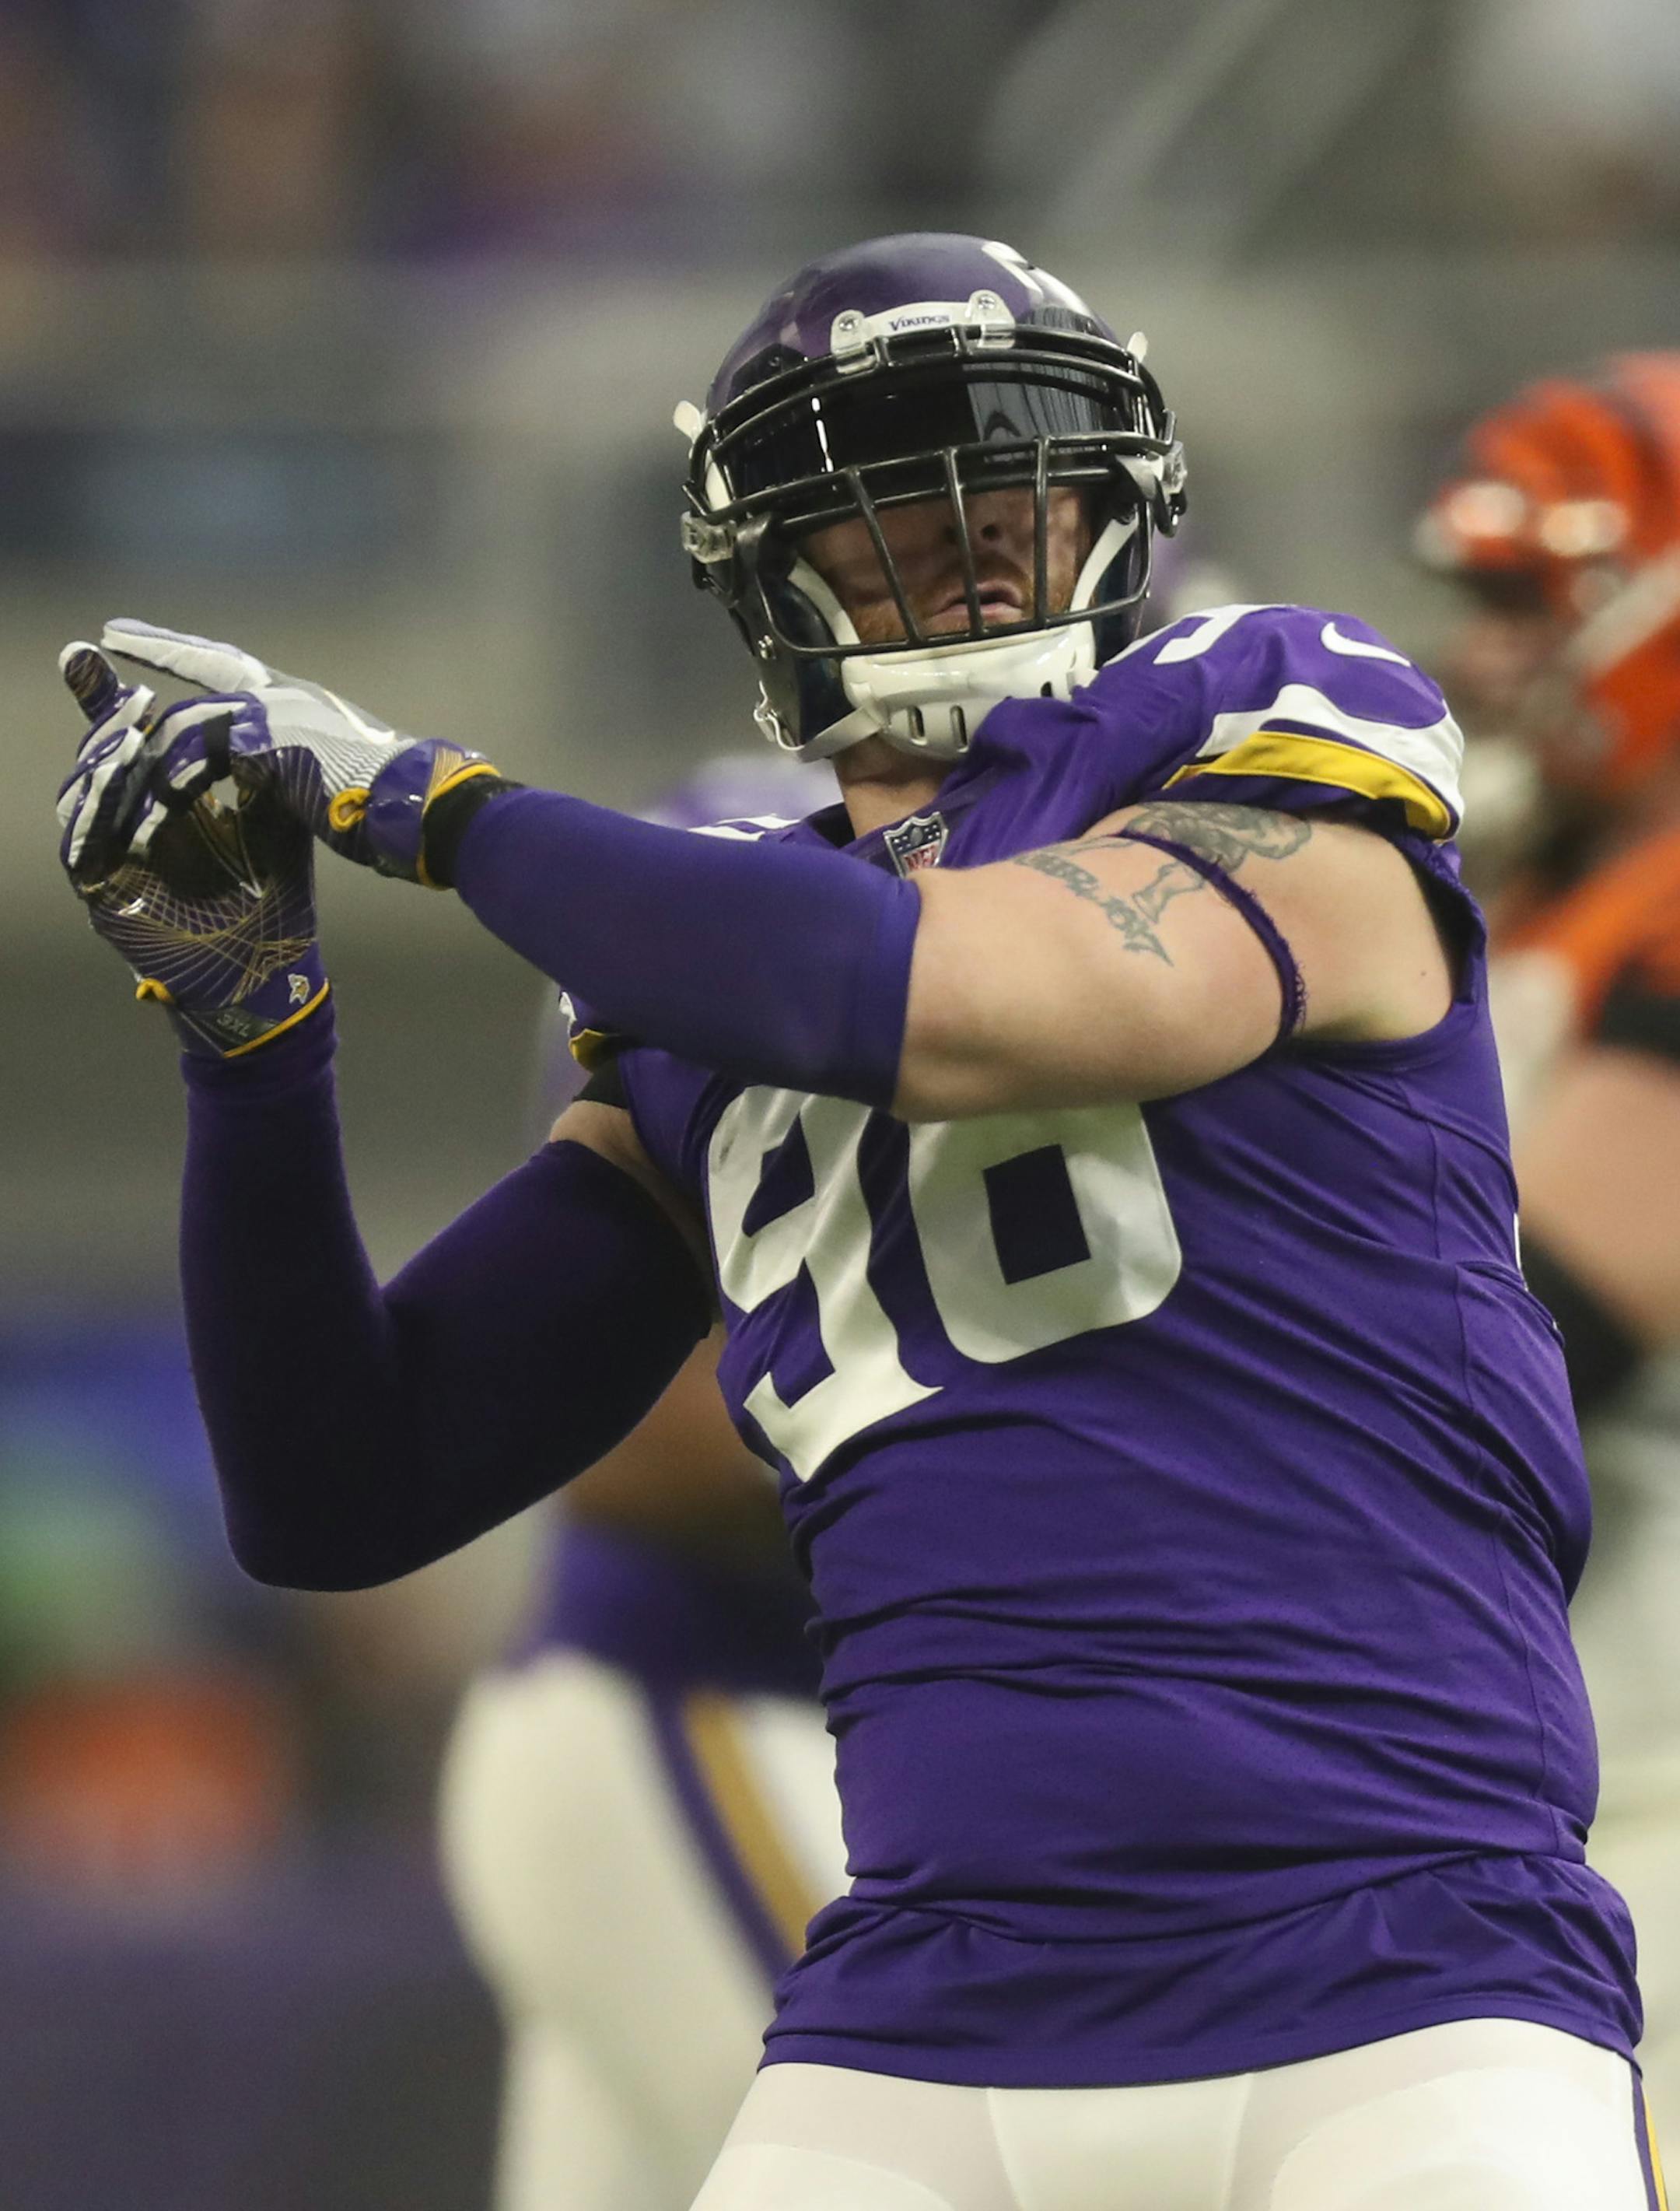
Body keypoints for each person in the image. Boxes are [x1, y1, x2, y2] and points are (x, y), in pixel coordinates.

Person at [56, 235, 1654, 2209]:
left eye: (1018, 481)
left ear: (1118, 502)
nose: (975, 533)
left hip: (1402, 1969)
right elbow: (340, 1488)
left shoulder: (1271, 739)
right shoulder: (703, 978)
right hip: (927, 2013)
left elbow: (974, 996)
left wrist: (429, 800)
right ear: (775, 578)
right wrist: (254, 1053)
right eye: (893, 501)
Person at [440, 753, 846, 2211]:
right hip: (698, 1699)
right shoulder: (756, 865)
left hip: (828, 1738)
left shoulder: (1143, 881)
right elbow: (616, 1442)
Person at [1419, 350, 1680, 2153]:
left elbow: (1559, 1324)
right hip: (1554, 1745)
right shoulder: (1533, 892)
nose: (1477, 650)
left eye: (1523, 599)